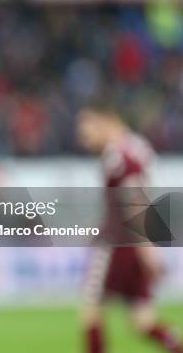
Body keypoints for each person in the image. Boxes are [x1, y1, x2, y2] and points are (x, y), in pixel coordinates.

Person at [76, 100, 181, 353]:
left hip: (117, 246)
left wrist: (147, 250)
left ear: (107, 120)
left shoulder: (121, 158)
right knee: (142, 321)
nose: (82, 133)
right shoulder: (137, 150)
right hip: (131, 245)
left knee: (90, 311)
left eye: (86, 124)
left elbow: (135, 205)